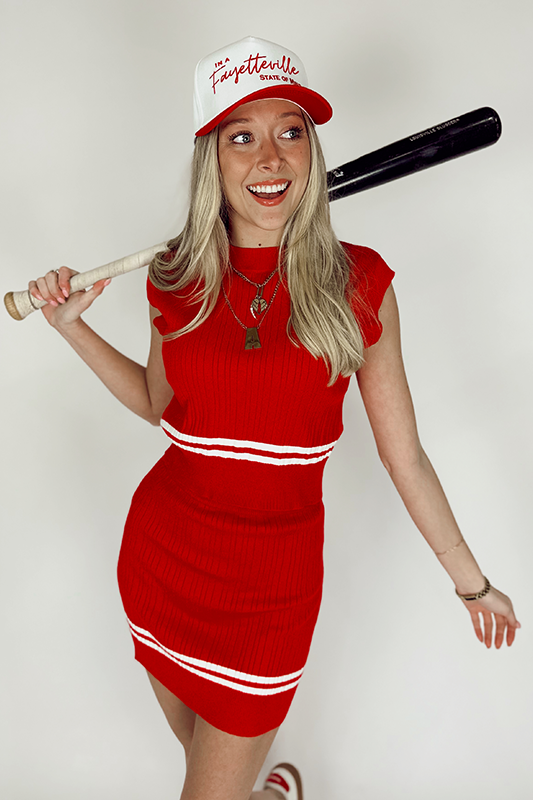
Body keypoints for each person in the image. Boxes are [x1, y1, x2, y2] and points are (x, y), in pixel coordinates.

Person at [29, 36, 520, 800]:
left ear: (311, 152)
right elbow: (160, 406)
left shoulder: (358, 284)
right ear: (212, 159)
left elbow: (405, 457)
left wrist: (471, 584)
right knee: (203, 761)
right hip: (162, 560)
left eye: (290, 131)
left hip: (268, 597)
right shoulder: (175, 276)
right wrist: (72, 328)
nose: (270, 158)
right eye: (242, 136)